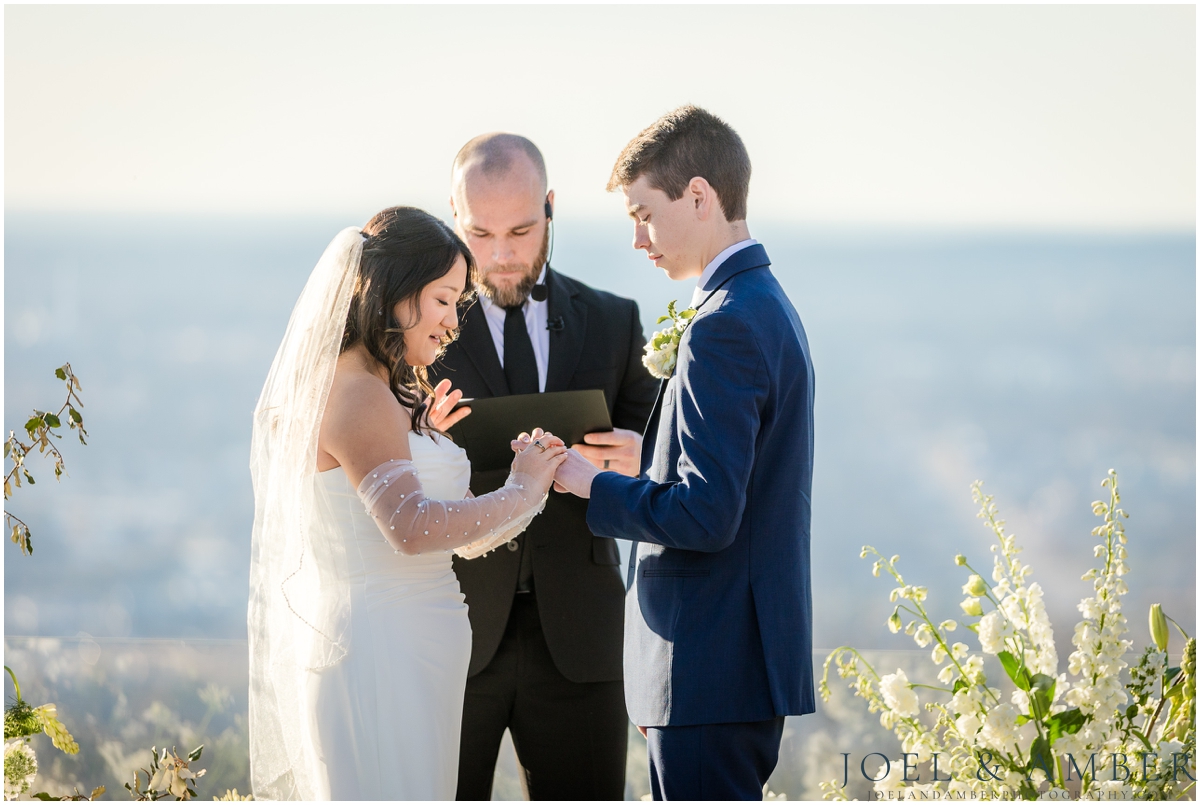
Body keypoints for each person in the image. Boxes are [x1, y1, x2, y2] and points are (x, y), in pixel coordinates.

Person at [247, 206, 569, 800]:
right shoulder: (361, 393)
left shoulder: (382, 393)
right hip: (383, 654)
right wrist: (520, 487)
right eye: (444, 300)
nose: (452, 323)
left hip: (412, 652)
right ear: (397, 294)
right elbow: (413, 530)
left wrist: (423, 438)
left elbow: (460, 535)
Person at [553, 106, 817, 800]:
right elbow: (741, 480)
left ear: (699, 196)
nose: (639, 240)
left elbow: (707, 516)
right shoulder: (762, 302)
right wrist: (654, 457)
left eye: (644, 213)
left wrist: (590, 485)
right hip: (734, 666)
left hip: (706, 664)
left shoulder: (722, 325)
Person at [425, 133, 659, 800]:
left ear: (552, 208)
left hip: (582, 642)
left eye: (523, 230)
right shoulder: (418, 332)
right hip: (450, 633)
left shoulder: (614, 322)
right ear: (452, 216)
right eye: (481, 232)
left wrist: (632, 449)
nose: (501, 254)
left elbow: (661, 447)